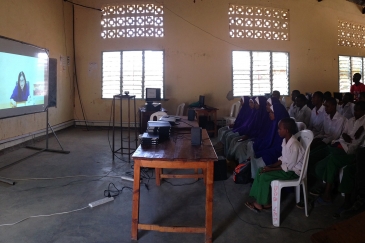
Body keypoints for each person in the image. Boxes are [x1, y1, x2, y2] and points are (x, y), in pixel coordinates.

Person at [245, 118, 304, 212]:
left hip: (293, 172)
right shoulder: (285, 141)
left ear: (287, 130)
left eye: (280, 129)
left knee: (265, 176)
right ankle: (258, 198)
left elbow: (289, 166)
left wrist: (270, 170)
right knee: (261, 170)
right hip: (286, 169)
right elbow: (283, 159)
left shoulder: (295, 146)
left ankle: (261, 203)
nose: (278, 131)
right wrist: (271, 166)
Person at [314, 101, 365, 207]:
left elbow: (355, 144)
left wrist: (345, 138)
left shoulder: (364, 123)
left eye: (358, 110)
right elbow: (343, 135)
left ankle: (327, 193)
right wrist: (345, 138)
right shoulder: (350, 120)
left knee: (331, 158)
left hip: (354, 153)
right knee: (322, 164)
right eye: (355, 109)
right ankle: (328, 186)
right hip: (341, 146)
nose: (355, 112)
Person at [248, 98, 290, 177]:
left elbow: (280, 149)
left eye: (271, 112)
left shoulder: (285, 130)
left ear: (277, 113)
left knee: (262, 158)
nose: (269, 114)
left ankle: (256, 177)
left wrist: (263, 152)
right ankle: (254, 176)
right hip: (274, 150)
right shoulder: (274, 123)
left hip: (280, 155)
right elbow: (268, 139)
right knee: (255, 148)